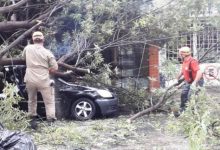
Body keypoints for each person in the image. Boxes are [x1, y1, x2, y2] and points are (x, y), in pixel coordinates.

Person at [22, 31, 58, 127]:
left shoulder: (27, 48)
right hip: (43, 80)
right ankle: (50, 123)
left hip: (30, 79)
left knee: (32, 100)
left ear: (33, 39)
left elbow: (23, 58)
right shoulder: (47, 52)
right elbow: (55, 67)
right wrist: (47, 70)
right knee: (49, 102)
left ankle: (33, 122)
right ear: (43, 39)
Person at [176, 46, 203, 114]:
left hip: (196, 82)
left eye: (180, 54)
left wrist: (194, 83)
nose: (179, 55)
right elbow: (183, 72)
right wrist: (177, 79)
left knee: (191, 97)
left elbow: (199, 72)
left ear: (183, 54)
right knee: (183, 95)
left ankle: (193, 113)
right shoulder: (185, 61)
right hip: (189, 81)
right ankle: (182, 111)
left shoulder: (192, 61)